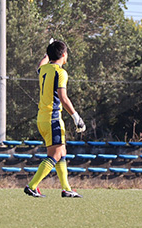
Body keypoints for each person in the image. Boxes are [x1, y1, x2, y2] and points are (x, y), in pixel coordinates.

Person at [24, 40, 86, 198]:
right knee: (55, 154)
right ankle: (32, 186)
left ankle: (66, 188)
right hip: (53, 118)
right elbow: (63, 98)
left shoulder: (44, 69)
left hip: (42, 118)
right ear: (64, 55)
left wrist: (47, 54)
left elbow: (41, 64)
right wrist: (76, 117)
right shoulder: (61, 72)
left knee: (61, 152)